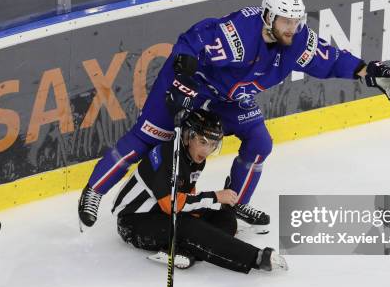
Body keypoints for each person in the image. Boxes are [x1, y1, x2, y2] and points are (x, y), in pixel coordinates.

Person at [79, 0, 390, 228]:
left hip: (228, 98)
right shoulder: (238, 34)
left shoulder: (296, 40)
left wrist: (368, 72)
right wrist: (181, 83)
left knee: (260, 142)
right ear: (268, 17)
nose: (292, 28)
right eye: (285, 21)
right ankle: (94, 190)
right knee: (148, 137)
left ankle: (235, 202)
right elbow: (190, 43)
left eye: (295, 21)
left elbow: (331, 59)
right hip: (191, 85)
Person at [113, 109, 287, 273]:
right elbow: (170, 205)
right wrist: (215, 197)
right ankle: (256, 258)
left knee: (225, 218)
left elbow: (187, 192)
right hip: (134, 222)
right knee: (189, 227)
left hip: (160, 213)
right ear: (188, 137)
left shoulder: (194, 158)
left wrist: (206, 210)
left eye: (212, 144)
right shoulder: (168, 156)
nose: (207, 150)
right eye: (203, 142)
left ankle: (182, 252)